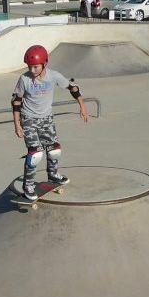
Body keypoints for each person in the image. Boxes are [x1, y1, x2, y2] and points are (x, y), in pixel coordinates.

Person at [11, 44, 89, 202]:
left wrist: (82, 106)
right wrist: (17, 124)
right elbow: (16, 102)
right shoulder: (24, 79)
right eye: (29, 67)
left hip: (47, 119)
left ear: (44, 64)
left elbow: (72, 87)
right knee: (35, 154)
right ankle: (29, 185)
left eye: (35, 67)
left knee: (54, 150)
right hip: (29, 119)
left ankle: (53, 175)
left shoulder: (53, 76)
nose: (32, 71)